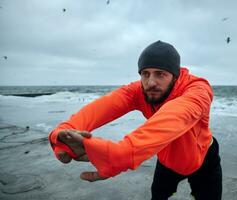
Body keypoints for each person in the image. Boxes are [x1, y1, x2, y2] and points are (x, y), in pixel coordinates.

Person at [49, 40, 222, 200]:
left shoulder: (198, 89)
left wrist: (120, 154)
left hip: (204, 161)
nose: (151, 82)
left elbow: (176, 114)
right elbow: (101, 107)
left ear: (175, 76)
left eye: (160, 74)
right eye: (145, 74)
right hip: (166, 160)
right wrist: (63, 133)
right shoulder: (139, 91)